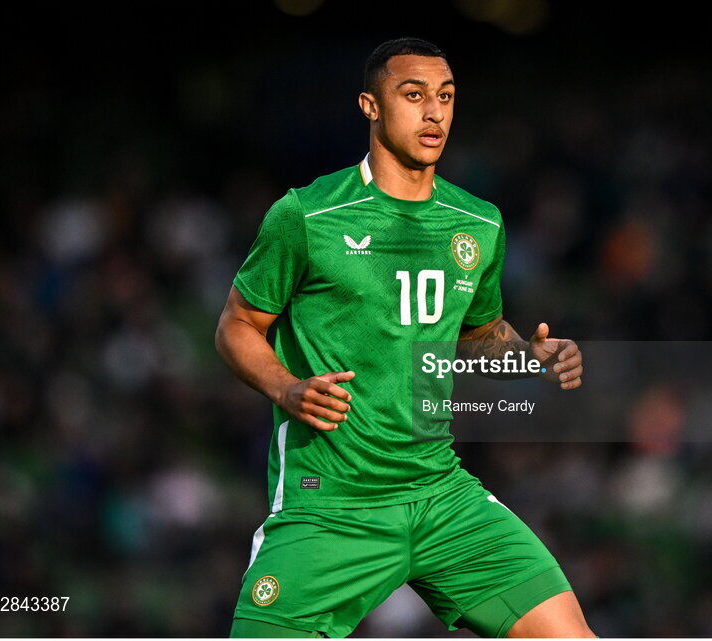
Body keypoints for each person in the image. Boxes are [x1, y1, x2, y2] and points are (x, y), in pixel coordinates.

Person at [215, 37, 592, 638]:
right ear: (370, 105)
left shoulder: (478, 222)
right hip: (331, 504)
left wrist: (528, 356)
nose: (434, 112)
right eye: (413, 95)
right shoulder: (306, 215)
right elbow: (236, 325)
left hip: (441, 494)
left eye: (445, 96)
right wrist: (286, 388)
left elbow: (480, 333)